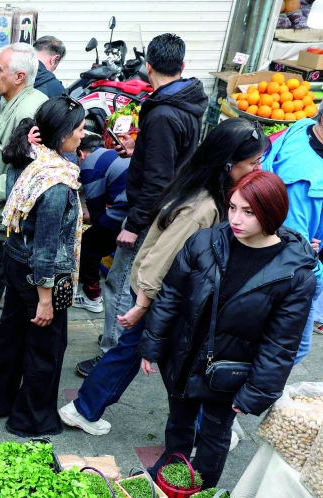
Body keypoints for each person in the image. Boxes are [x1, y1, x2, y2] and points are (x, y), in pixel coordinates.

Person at [60, 118, 269, 435]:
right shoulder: (203, 207)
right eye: (253, 162)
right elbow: (162, 257)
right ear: (228, 164)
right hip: (160, 294)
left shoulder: (204, 188)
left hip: (162, 293)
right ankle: (203, 427)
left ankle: (86, 408)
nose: (257, 168)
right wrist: (142, 305)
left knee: (143, 354)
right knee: (169, 359)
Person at [138, 171, 316, 488]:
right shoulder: (206, 241)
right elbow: (171, 295)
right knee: (178, 421)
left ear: (271, 212)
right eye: (232, 207)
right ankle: (170, 476)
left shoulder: (294, 273)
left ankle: (199, 494)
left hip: (230, 371)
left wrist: (255, 393)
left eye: (249, 211)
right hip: (184, 354)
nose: (236, 218)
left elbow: (281, 343)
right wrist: (152, 346)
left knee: (215, 434)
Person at [76, 33, 207, 376]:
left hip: (152, 213)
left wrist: (134, 225)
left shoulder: (163, 113)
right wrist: (139, 152)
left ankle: (111, 356)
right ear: (182, 66)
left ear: (148, 67)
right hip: (167, 204)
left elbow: (159, 180)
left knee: (121, 283)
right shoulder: (188, 102)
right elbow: (175, 159)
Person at [0, 97, 85, 437]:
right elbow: (47, 248)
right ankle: (30, 419)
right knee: (46, 348)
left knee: (10, 334)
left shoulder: (35, 162)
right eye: (78, 128)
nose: (83, 134)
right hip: (39, 276)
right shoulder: (57, 183)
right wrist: (46, 298)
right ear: (62, 135)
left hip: (16, 262)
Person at [264, 81, 323, 358]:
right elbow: (294, 249)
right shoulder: (306, 178)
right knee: (292, 350)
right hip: (301, 275)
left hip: (312, 263)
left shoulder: (306, 127)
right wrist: (315, 280)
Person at [0, 43, 48, 344]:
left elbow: (31, 171)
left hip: (13, 214)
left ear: (19, 76)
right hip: (8, 211)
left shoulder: (27, 112)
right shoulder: (12, 101)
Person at [73, 133, 130, 313]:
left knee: (87, 244)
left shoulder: (90, 164)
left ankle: (93, 296)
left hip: (125, 211)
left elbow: (96, 211)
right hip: (133, 208)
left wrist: (83, 218)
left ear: (81, 154)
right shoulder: (109, 154)